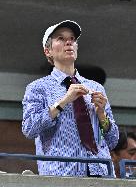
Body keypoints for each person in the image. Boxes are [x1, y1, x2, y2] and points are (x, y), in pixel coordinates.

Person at [22, 20, 119, 177]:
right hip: (61, 175)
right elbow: (29, 129)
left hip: (102, 174)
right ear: (48, 51)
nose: (69, 42)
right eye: (61, 38)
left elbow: (113, 140)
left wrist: (102, 115)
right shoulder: (37, 88)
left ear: (76, 48)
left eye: (72, 38)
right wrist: (63, 102)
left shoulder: (96, 88)